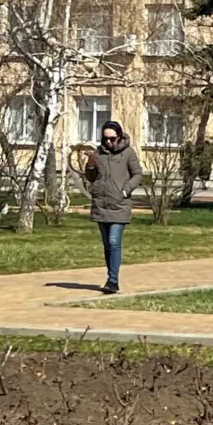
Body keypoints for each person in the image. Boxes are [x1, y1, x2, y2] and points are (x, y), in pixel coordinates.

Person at [83, 120, 143, 295]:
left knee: (114, 241)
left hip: (119, 205)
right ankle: (111, 278)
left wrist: (126, 190)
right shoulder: (98, 153)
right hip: (101, 205)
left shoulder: (128, 153)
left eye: (112, 138)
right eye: (105, 139)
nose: (109, 142)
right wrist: (90, 164)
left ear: (119, 136)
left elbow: (137, 174)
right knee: (107, 245)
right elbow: (91, 177)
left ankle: (113, 280)